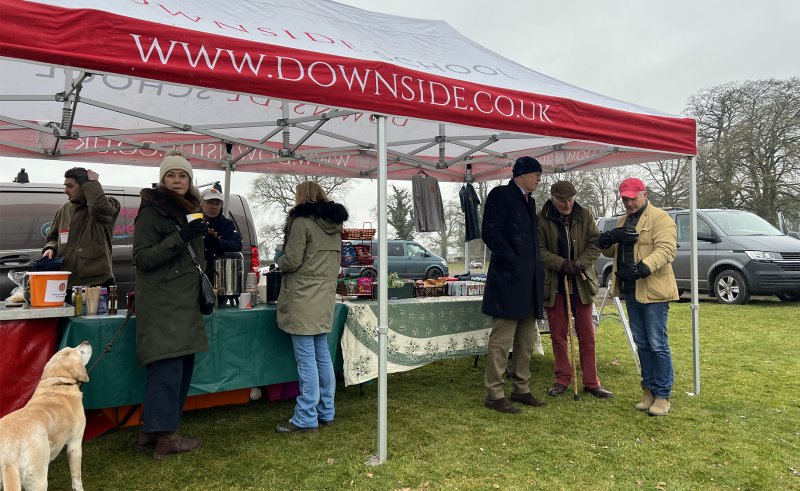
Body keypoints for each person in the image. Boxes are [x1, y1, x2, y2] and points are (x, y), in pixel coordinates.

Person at [132, 149, 209, 458]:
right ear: (162, 179)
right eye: (171, 175)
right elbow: (142, 258)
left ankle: (151, 433)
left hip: (182, 301)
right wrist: (183, 237)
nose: (177, 180)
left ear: (189, 180)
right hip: (164, 303)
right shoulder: (152, 211)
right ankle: (167, 438)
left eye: (183, 175)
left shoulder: (187, 209)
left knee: (177, 366)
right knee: (168, 367)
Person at [596, 178, 678, 416]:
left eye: (633, 197)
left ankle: (662, 395)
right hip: (630, 289)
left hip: (654, 289)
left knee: (657, 344)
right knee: (642, 344)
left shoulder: (661, 218)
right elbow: (612, 250)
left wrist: (643, 268)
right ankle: (648, 390)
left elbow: (666, 250)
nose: (629, 202)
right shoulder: (623, 219)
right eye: (625, 199)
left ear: (645, 194)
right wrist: (608, 238)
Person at [274, 181, 348, 433]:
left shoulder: (301, 222)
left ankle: (306, 417)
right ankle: (326, 412)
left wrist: (278, 257)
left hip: (303, 298)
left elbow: (292, 261)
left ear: (301, 198)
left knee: (306, 360)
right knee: (322, 356)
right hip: (325, 296)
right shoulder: (335, 227)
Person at [481, 156, 547, 414]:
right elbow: (490, 231)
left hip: (529, 282)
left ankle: (521, 388)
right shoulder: (501, 194)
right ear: (522, 174)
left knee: (526, 339)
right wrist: (512, 260)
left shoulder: (530, 202)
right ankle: (494, 394)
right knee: (502, 339)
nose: (539, 179)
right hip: (508, 281)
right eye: (536, 175)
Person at [538, 181, 612, 399]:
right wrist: (562, 264)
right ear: (553, 200)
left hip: (581, 282)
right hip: (554, 284)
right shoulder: (540, 218)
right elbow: (539, 250)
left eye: (571, 199)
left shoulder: (585, 214)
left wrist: (580, 264)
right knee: (558, 335)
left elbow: (595, 243)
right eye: (562, 200)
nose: (568, 204)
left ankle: (591, 382)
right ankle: (562, 379)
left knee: (587, 335)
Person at [42, 167, 120, 291]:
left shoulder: (109, 204)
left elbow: (98, 207)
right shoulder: (65, 209)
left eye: (70, 186)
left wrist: (93, 182)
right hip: (65, 281)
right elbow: (53, 237)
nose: (65, 191)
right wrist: (51, 248)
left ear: (85, 187)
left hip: (95, 282)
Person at [200, 188, 243, 276]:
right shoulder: (193, 223)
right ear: (201, 204)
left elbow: (237, 245)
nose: (214, 207)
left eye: (217, 203)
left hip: (218, 276)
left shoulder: (227, 224)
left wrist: (219, 244)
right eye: (210, 202)